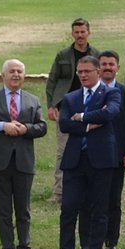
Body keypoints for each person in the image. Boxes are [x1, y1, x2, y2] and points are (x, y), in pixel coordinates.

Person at [54, 55, 121, 249]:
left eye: (87, 72)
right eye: (79, 72)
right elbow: (64, 123)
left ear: (98, 72)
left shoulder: (111, 93)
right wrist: (89, 124)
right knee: (68, 208)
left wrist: (81, 117)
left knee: (99, 209)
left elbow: (110, 113)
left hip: (101, 160)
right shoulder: (71, 97)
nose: (82, 75)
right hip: (75, 160)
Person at [0, 58, 47, 249]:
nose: (16, 75)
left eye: (19, 71)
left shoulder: (33, 100)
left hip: (24, 161)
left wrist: (26, 129)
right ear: (3, 76)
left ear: (24, 76)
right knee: (3, 210)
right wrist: (2, 126)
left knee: (23, 209)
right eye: (12, 71)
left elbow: (42, 127)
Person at [45, 19, 100, 204]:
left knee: (91, 149)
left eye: (83, 32)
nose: (80, 35)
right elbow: (52, 81)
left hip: (91, 110)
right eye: (76, 32)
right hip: (66, 110)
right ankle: (59, 193)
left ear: (89, 33)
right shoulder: (62, 55)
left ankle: (89, 189)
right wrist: (51, 106)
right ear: (72, 34)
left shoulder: (97, 55)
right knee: (63, 151)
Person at [91, 50, 125, 249]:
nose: (108, 67)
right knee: (91, 200)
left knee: (113, 200)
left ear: (117, 67)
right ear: (98, 68)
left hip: (117, 156)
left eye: (112, 64)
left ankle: (111, 242)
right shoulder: (90, 90)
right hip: (92, 154)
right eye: (104, 64)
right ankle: (90, 241)